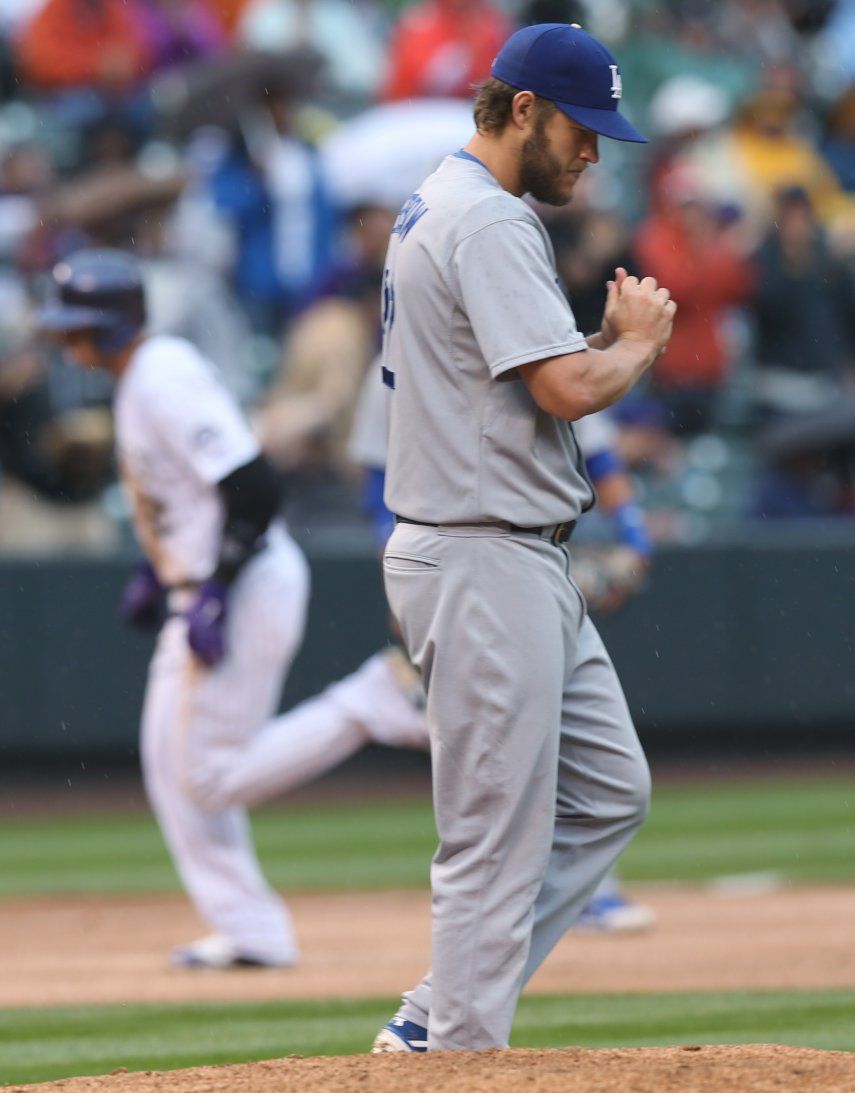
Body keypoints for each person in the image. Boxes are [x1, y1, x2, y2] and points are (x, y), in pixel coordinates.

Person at [372, 24, 675, 1053]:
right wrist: (630, 348)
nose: (593, 152)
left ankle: (431, 1013)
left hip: (512, 544)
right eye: (582, 128)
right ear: (524, 108)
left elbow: (522, 377)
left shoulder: (445, 199)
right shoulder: (491, 220)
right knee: (493, 837)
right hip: (480, 546)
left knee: (605, 792)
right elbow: (564, 389)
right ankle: (454, 1050)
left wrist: (594, 345)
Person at [36, 248, 429, 970]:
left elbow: (254, 488)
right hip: (213, 580)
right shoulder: (139, 377)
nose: (68, 340)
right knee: (167, 762)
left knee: (207, 776)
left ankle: (368, 702)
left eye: (77, 326)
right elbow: (195, 495)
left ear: (113, 325)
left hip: (242, 583)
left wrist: (213, 583)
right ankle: (249, 928)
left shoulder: (162, 378)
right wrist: (164, 574)